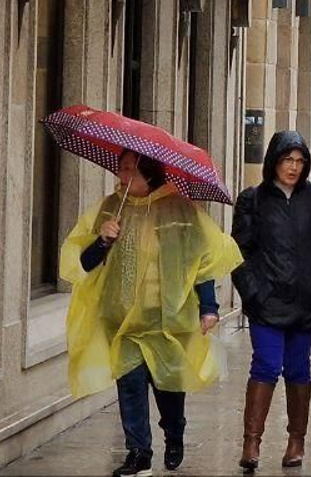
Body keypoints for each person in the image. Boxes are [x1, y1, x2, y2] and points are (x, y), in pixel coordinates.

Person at [62, 151, 243, 477]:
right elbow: (85, 263)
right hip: (123, 322)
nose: (121, 174)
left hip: (168, 320)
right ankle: (138, 452)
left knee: (168, 386)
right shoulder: (110, 208)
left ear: (148, 174)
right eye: (121, 168)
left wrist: (209, 307)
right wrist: (102, 241)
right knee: (130, 385)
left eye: (129, 169)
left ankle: (174, 432)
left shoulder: (181, 210)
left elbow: (200, 262)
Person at [232, 132, 311, 473]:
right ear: (274, 161)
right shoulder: (252, 200)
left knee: (298, 368)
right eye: (287, 160)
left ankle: (297, 440)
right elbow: (239, 252)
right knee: (266, 365)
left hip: (307, 304)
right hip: (266, 302)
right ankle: (252, 441)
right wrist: (253, 293)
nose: (293, 167)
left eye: (299, 161)